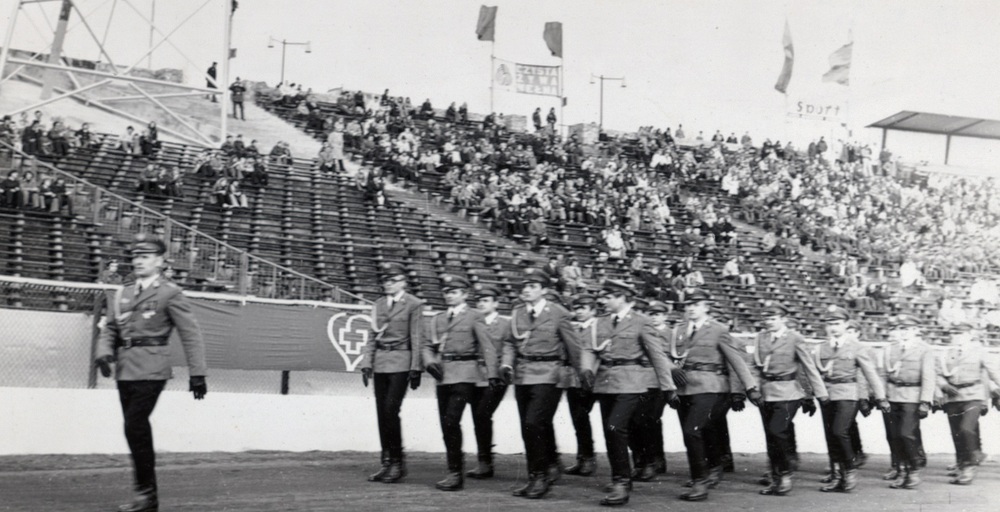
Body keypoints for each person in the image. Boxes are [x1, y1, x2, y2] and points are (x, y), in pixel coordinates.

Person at [92, 234, 208, 512]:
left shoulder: (170, 292)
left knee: (134, 426)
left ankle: (145, 495)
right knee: (135, 431)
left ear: (159, 262)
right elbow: (110, 328)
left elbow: (190, 334)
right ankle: (147, 496)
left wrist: (198, 373)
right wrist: (103, 351)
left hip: (153, 369)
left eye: (145, 257)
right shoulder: (123, 292)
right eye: (135, 257)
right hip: (125, 369)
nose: (138, 261)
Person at [577, 281, 677, 507]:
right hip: (605, 382)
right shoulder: (599, 322)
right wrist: (585, 369)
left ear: (622, 297)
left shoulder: (642, 322)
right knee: (610, 430)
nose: (603, 300)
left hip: (632, 382)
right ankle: (621, 477)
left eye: (608, 296)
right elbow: (587, 347)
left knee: (615, 427)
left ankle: (622, 481)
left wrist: (668, 387)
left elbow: (657, 357)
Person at [667, 290, 758, 502]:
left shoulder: (718, 330)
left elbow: (736, 361)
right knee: (694, 432)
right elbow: (666, 355)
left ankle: (700, 480)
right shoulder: (678, 330)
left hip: (711, 385)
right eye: (688, 304)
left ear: (706, 306)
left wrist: (749, 387)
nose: (691, 308)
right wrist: (672, 369)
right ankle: (711, 467)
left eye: (696, 304)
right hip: (684, 386)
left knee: (693, 430)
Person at [422, 275, 499, 491]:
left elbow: (487, 346)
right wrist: (429, 363)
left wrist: (492, 374)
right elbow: (427, 345)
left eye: (454, 292)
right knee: (446, 424)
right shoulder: (437, 319)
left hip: (466, 374)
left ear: (464, 295)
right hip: (442, 375)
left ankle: (457, 473)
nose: (449, 295)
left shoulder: (474, 316)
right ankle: (453, 470)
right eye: (447, 292)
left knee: (451, 420)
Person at [499, 269, 570, 499]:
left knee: (533, 423)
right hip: (523, 374)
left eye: (533, 286)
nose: (526, 290)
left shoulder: (559, 313)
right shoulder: (518, 312)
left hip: (550, 374)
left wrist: (584, 374)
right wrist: (507, 364)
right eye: (524, 286)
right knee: (528, 427)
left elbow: (574, 347)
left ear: (545, 290)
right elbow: (510, 343)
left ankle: (541, 477)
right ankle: (536, 475)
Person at [751, 303, 829, 497]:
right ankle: (776, 476)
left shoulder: (795, 338)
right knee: (771, 435)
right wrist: (752, 388)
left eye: (773, 318)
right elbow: (755, 366)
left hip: (788, 392)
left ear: (783, 319)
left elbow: (808, 367)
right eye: (767, 318)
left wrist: (819, 394)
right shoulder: (761, 337)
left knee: (778, 430)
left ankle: (785, 474)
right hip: (766, 392)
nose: (769, 322)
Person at [359, 262, 424, 484]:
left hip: (401, 362)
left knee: (390, 410)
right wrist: (367, 362)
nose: (388, 284)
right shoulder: (378, 304)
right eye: (386, 280)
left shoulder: (414, 304)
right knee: (381, 412)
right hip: (381, 362)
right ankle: (386, 462)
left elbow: (416, 336)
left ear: (403, 282)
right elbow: (372, 335)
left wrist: (416, 367)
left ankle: (398, 462)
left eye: (393, 280)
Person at [814, 308, 889, 493]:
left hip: (848, 393)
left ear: (846, 325)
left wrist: (881, 397)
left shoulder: (857, 347)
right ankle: (837, 475)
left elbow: (870, 373)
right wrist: (810, 395)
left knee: (840, 431)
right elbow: (812, 373)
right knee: (830, 435)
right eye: (830, 324)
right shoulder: (820, 348)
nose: (833, 328)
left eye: (837, 323)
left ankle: (849, 469)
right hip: (826, 394)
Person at [936, 321, 1000, 485]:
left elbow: (994, 372)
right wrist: (943, 385)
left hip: (974, 395)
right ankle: (962, 463)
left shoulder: (980, 352)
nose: (958, 337)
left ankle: (970, 465)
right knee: (957, 432)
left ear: (970, 335)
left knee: (966, 428)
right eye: (955, 334)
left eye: (962, 334)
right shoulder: (947, 353)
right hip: (953, 396)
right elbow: (938, 373)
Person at [879, 314, 936, 489]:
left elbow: (928, 376)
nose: (904, 332)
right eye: (901, 329)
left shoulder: (924, 349)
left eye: (908, 329)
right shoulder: (890, 349)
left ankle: (913, 469)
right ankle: (902, 469)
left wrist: (925, 401)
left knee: (906, 433)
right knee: (895, 435)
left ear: (916, 331)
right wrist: (881, 396)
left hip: (913, 396)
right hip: (892, 395)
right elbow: (882, 375)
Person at [467, 285, 510, 480]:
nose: (481, 304)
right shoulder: (473, 322)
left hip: (496, 376)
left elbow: (509, 349)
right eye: (479, 301)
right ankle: (484, 462)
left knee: (483, 413)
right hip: (476, 374)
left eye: (486, 300)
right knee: (479, 417)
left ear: (496, 303)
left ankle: (486, 461)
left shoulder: (505, 324)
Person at [628, 300, 674, 480]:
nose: (654, 317)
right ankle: (642, 460)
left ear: (665, 316)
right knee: (634, 421)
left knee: (650, 420)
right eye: (651, 314)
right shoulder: (642, 330)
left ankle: (654, 460)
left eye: (658, 314)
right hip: (639, 380)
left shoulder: (671, 334)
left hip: (658, 381)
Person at [557, 293, 600, 478]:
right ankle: (584, 458)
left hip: (595, 379)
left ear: (593, 310)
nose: (580, 312)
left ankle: (588, 458)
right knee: (578, 419)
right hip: (574, 379)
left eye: (584, 308)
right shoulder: (573, 328)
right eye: (578, 308)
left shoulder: (598, 328)